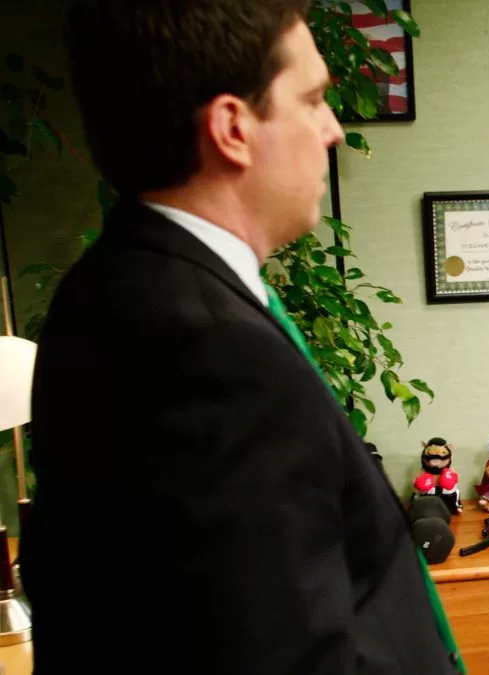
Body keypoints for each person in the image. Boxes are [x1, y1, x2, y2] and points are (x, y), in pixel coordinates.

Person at [21, 2, 460, 673]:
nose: (333, 129)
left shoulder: (110, 287)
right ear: (233, 128)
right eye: (311, 100)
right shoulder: (211, 353)